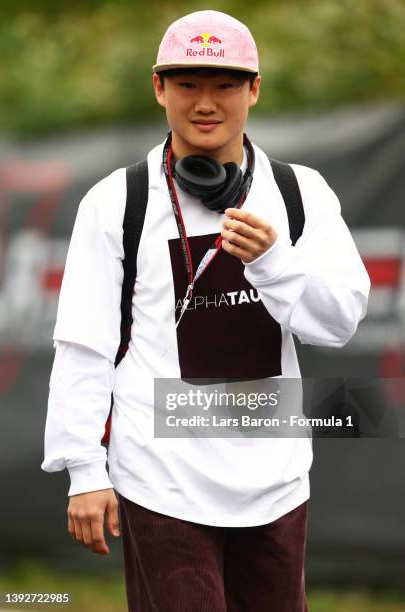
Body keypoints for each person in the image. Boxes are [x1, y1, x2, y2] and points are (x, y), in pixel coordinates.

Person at [41, 9, 370, 612]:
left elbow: (342, 321)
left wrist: (273, 262)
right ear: (159, 88)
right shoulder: (117, 200)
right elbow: (83, 342)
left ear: (254, 90)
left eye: (225, 84)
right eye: (188, 83)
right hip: (159, 471)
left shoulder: (301, 193)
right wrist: (84, 469)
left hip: (276, 474)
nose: (206, 102)